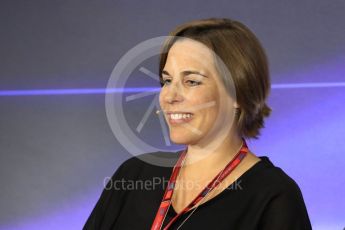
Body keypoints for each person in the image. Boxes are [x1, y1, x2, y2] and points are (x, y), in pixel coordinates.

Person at [83, 18, 312, 230]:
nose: (169, 96)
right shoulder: (133, 175)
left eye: (191, 81)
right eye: (167, 80)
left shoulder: (274, 196)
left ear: (238, 94)